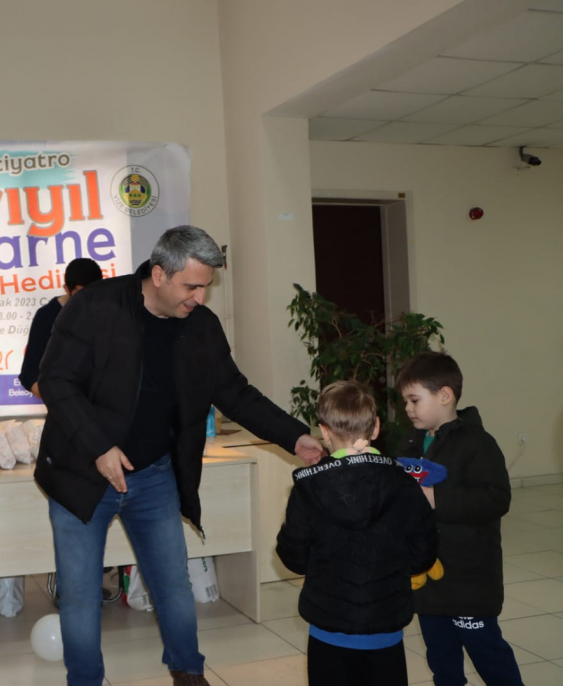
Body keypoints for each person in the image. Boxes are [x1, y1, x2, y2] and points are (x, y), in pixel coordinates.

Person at [34, 225, 325, 686]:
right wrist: (99, 447)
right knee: (80, 595)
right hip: (82, 473)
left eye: (205, 287)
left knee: (173, 585)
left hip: (154, 475)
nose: (200, 298)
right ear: (159, 274)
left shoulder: (200, 326)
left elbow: (235, 392)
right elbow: (55, 380)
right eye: (191, 286)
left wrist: (295, 437)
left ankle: (189, 672)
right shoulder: (95, 307)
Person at [276, 381, 439, 686]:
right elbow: (424, 552)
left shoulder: (308, 488)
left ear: (324, 432)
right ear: (375, 427)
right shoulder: (403, 482)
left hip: (328, 626)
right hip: (385, 627)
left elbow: (293, 557)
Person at [396, 352, 522, 686]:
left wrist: (436, 499)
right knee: (441, 657)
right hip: (428, 578)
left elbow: (496, 498)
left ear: (445, 396)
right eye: (405, 401)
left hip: (468, 578)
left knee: (488, 654)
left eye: (414, 400)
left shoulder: (478, 444)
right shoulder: (411, 441)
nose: (407, 408)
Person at [18, 257, 104, 398]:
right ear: (66, 289)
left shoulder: (109, 313)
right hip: (64, 404)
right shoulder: (46, 316)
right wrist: (59, 401)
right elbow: (29, 374)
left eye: (92, 294)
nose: (86, 300)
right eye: (80, 294)